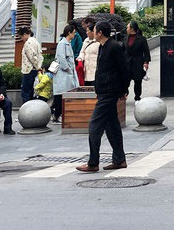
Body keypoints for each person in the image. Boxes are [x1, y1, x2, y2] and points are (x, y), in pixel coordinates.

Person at [76, 22, 129, 173]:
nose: (91, 32)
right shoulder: (102, 47)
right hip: (104, 91)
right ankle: (119, 159)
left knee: (94, 126)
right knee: (112, 126)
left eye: (93, 30)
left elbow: (124, 69)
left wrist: (124, 89)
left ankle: (93, 163)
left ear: (99, 33)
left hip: (110, 92)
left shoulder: (114, 47)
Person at [50, 24, 78, 122]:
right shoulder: (62, 44)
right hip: (63, 73)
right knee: (60, 95)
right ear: (69, 33)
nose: (74, 35)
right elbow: (62, 58)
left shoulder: (67, 43)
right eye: (73, 33)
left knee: (62, 94)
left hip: (66, 73)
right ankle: (56, 115)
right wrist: (68, 69)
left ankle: (58, 114)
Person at [125, 21, 151, 102]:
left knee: (137, 81)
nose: (127, 29)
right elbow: (122, 50)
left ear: (132, 28)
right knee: (125, 80)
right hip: (127, 63)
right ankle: (125, 93)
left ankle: (137, 97)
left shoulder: (141, 39)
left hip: (138, 62)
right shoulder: (125, 38)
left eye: (128, 27)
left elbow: (146, 51)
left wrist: (146, 62)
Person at [18, 26, 42, 103]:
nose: (22, 39)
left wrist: (37, 67)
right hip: (35, 69)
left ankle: (26, 111)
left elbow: (32, 57)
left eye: (21, 36)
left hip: (28, 70)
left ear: (25, 34)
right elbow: (40, 56)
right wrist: (39, 67)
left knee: (26, 92)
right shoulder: (36, 41)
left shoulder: (28, 43)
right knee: (31, 91)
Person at [77, 18, 99, 89]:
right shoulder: (86, 41)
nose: (86, 33)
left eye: (88, 31)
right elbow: (82, 52)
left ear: (93, 32)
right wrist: (80, 58)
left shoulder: (98, 42)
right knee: (87, 88)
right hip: (86, 70)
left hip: (95, 70)